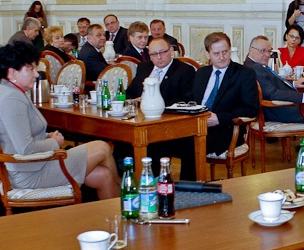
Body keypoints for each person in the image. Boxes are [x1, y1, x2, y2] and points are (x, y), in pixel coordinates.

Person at [0, 41, 120, 199]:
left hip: (34, 165)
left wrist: (46, 136)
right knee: (102, 147)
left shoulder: (10, 92)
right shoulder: (12, 99)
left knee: (103, 176)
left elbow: (17, 134)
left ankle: (116, 212)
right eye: (30, 69)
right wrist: (54, 142)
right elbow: (25, 149)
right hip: (29, 174)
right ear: (12, 73)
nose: (36, 74)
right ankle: (127, 193)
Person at [125, 37, 197, 178]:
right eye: (153, 54)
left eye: (162, 52)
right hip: (139, 119)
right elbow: (130, 92)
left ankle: (154, 182)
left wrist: (156, 103)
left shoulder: (184, 70)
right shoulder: (144, 67)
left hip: (166, 124)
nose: (158, 57)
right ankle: (125, 180)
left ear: (171, 51)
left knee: (152, 146)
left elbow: (186, 99)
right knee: (121, 143)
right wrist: (133, 101)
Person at [191, 33, 259, 156]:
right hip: (197, 126)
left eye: (225, 52)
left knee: (190, 146)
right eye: (216, 53)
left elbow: (251, 109)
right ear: (207, 54)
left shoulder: (244, 74)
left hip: (226, 129)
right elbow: (191, 101)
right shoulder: (201, 74)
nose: (222, 57)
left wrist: (219, 118)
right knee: (163, 141)